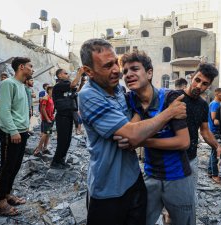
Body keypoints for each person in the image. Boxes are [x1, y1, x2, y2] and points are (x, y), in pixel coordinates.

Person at [78, 39, 186, 225]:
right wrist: (169, 113)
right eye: (107, 66)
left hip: (134, 179)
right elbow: (132, 134)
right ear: (89, 71)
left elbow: (133, 128)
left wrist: (135, 130)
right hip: (108, 189)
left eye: (115, 63)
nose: (117, 71)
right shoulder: (88, 95)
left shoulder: (120, 91)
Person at [121, 51, 195, 225]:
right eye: (125, 72)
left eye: (134, 69)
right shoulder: (129, 100)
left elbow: (183, 142)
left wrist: (141, 140)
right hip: (151, 174)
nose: (128, 74)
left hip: (178, 177)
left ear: (149, 73)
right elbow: (125, 134)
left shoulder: (170, 98)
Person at [178, 64, 221, 202]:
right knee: (169, 201)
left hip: (191, 158)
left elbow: (205, 131)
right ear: (191, 77)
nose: (199, 86)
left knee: (189, 199)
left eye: (205, 84)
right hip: (171, 158)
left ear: (209, 86)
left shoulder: (203, 105)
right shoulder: (175, 97)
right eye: (197, 80)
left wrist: (217, 147)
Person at [0, 57, 33, 216]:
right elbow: (4, 111)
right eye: (31, 66)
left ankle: (8, 194)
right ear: (21, 67)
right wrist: (13, 130)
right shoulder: (8, 83)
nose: (32, 69)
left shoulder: (22, 86)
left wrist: (24, 129)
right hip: (12, 133)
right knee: (7, 166)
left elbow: (20, 111)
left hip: (21, 132)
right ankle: (1, 202)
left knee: (15, 165)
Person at [51, 68, 85, 169]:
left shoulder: (66, 86)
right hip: (62, 117)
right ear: (59, 75)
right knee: (62, 140)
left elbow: (77, 89)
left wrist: (82, 81)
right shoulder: (59, 85)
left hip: (68, 116)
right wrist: (79, 73)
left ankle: (61, 160)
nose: (68, 75)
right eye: (65, 73)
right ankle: (55, 162)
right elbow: (73, 85)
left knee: (67, 140)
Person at [207, 88, 221, 183]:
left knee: (213, 152)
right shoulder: (215, 104)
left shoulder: (215, 104)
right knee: (216, 153)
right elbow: (214, 118)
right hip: (215, 131)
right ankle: (215, 175)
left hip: (213, 131)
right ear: (217, 94)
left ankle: (210, 171)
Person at [34, 85, 54, 156]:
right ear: (48, 91)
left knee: (48, 133)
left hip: (51, 119)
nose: (53, 91)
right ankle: (38, 150)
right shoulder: (45, 98)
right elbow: (42, 109)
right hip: (46, 120)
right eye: (51, 90)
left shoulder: (51, 98)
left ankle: (45, 148)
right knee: (44, 134)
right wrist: (47, 118)